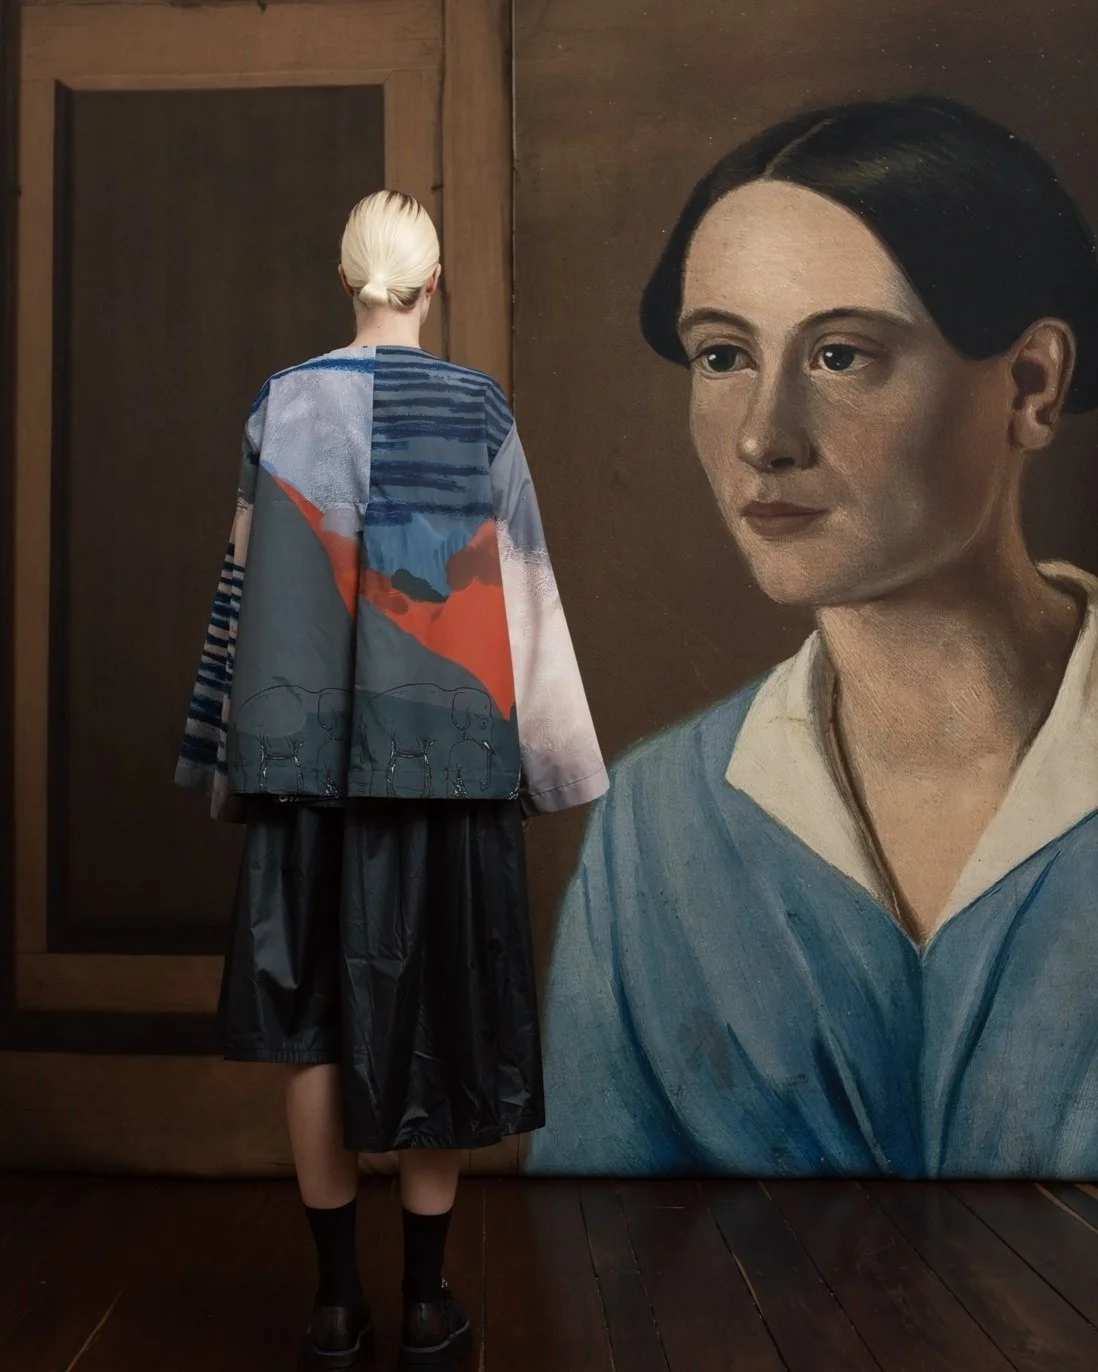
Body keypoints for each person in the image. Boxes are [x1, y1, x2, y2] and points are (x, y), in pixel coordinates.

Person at [525, 96, 1098, 1179]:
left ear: (1031, 384)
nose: (762, 437)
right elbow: (595, 1239)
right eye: (723, 356)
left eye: (840, 355)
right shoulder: (655, 825)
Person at [176, 190, 608, 1368]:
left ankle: (334, 1306)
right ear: (433, 284)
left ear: (345, 277)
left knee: (312, 1025)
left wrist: (222, 753)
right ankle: (425, 1302)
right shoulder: (480, 408)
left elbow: (240, 582)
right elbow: (524, 593)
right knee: (445, 1024)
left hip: (302, 765)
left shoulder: (280, 401)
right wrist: (549, 764)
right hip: (445, 766)